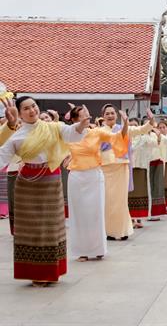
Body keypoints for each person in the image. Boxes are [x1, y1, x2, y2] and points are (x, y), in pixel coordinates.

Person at [0, 96, 89, 285]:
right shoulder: (17, 135)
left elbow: (71, 133)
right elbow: (2, 157)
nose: (31, 110)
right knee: (31, 229)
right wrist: (9, 124)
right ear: (19, 113)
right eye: (26, 108)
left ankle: (51, 271)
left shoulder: (52, 127)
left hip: (51, 182)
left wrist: (81, 125)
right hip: (26, 186)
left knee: (51, 228)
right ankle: (36, 273)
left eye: (33, 106)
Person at [66, 106, 129, 261]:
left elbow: (117, 137)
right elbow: (57, 146)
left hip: (94, 175)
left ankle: (98, 248)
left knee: (96, 213)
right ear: (75, 120)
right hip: (76, 177)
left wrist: (126, 122)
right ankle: (81, 250)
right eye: (83, 116)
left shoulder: (96, 132)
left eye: (88, 115)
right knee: (79, 214)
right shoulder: (68, 134)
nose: (87, 118)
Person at [99, 104, 154, 241]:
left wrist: (151, 120)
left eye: (112, 113)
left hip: (121, 168)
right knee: (107, 201)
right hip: (105, 169)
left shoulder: (125, 129)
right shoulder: (98, 131)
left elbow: (143, 129)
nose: (110, 115)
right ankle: (109, 231)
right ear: (103, 116)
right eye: (107, 113)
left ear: (116, 116)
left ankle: (122, 231)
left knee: (121, 201)